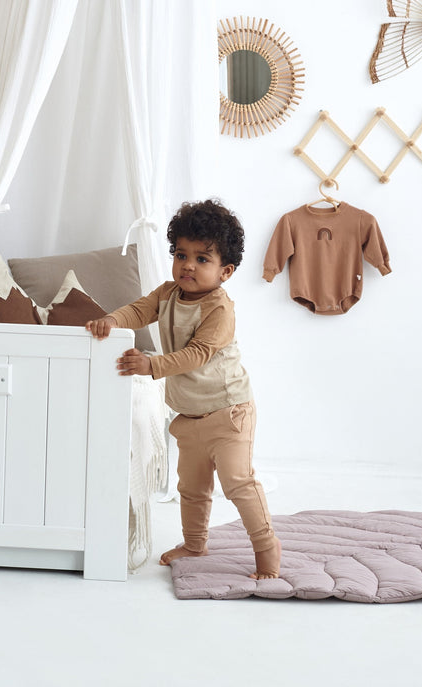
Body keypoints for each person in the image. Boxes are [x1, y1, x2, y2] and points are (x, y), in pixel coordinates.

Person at [86, 199, 281, 580]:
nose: (188, 265)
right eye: (181, 254)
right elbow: (139, 310)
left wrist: (152, 365)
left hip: (229, 413)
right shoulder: (167, 293)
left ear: (225, 271)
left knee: (238, 483)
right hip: (189, 417)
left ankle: (267, 548)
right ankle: (194, 543)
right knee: (191, 487)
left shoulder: (219, 309)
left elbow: (199, 353)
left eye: (202, 259)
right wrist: (112, 320)